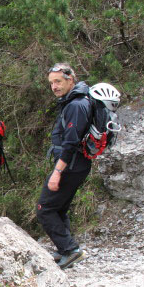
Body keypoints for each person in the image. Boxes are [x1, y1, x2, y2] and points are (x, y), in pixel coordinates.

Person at [37, 63, 91, 269]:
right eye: (51, 83)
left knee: (45, 208)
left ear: (71, 79)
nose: (54, 86)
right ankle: (64, 249)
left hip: (71, 165)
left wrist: (57, 172)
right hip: (76, 164)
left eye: (58, 81)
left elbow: (70, 143)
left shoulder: (76, 105)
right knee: (59, 208)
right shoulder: (75, 100)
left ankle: (70, 250)